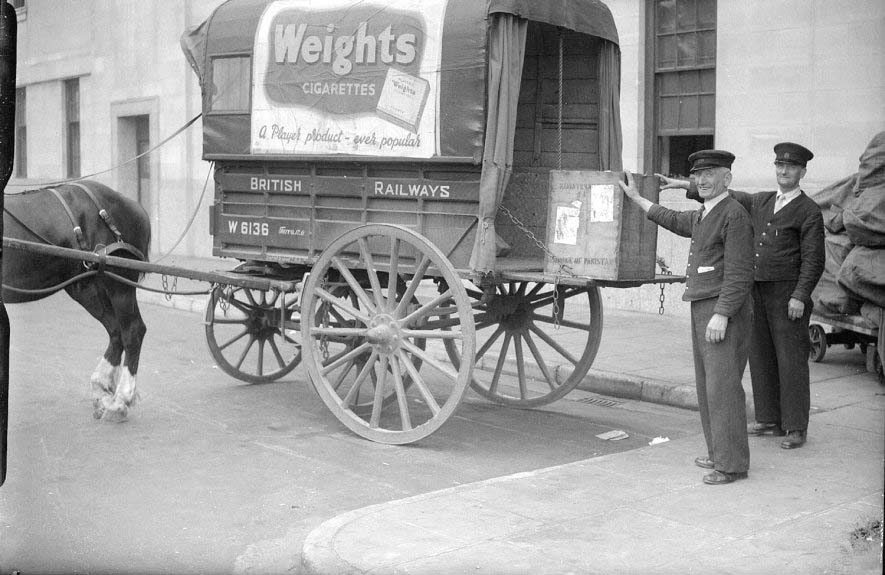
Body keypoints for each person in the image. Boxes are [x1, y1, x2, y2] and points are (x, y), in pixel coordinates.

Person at [659, 143, 825, 449]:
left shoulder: (809, 211)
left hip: (787, 293)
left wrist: (800, 295)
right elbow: (725, 195)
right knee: (760, 356)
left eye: (790, 167)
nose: (783, 171)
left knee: (790, 359)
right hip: (755, 290)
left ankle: (795, 426)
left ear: (802, 172)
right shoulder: (762, 201)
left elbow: (814, 260)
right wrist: (686, 183)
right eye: (779, 166)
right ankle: (768, 419)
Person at [620, 150, 755, 485]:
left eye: (710, 174)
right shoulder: (703, 214)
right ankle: (717, 452)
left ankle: (731, 465)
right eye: (698, 175)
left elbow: (739, 274)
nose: (703, 180)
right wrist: (637, 198)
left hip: (722, 310)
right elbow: (670, 218)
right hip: (702, 306)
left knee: (723, 389)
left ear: (728, 178)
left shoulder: (733, 215)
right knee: (709, 387)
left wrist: (722, 315)